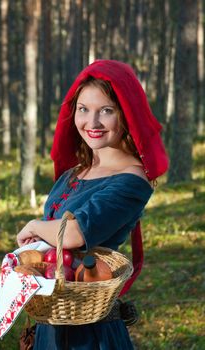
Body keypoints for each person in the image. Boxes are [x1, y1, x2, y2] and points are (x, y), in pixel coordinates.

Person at [17, 59, 169, 349]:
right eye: (84, 109)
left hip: (91, 332)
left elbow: (75, 234)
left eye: (106, 111)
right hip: (53, 322)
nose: (93, 123)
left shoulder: (131, 181)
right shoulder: (73, 173)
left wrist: (35, 226)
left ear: (126, 116)